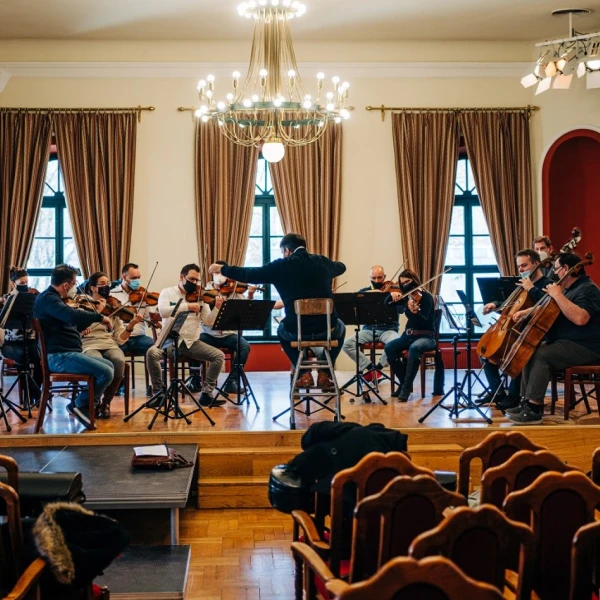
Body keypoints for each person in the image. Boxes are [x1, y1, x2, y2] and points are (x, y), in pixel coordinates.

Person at [208, 233, 346, 389]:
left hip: (295, 331)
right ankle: (325, 373)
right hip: (326, 330)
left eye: (282, 252)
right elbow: (341, 267)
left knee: (281, 329)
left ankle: (303, 373)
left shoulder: (281, 266)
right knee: (341, 327)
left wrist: (222, 269)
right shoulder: (322, 262)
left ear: (287, 250)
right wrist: (326, 267)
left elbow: (250, 273)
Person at [507, 252, 600, 425]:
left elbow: (581, 318)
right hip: (568, 343)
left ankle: (534, 408)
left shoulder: (588, 289)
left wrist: (557, 295)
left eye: (556, 269)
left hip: (587, 347)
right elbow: (552, 308)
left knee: (542, 355)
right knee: (529, 350)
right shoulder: (570, 289)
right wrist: (528, 312)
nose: (555, 273)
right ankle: (525, 402)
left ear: (566, 269)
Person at [34, 264, 115, 428]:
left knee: (109, 365)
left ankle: (83, 405)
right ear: (65, 285)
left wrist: (81, 328)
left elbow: (66, 323)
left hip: (67, 353)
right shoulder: (48, 299)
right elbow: (70, 315)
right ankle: (81, 405)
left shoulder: (54, 299)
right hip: (59, 356)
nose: (75, 288)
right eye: (73, 284)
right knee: (105, 372)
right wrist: (99, 317)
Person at [479, 249, 552, 410]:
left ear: (536, 264)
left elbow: (547, 306)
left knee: (519, 352)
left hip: (535, 334)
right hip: (515, 330)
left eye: (524, 265)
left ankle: (514, 396)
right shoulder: (521, 284)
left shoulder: (547, 284)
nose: (521, 270)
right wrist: (495, 304)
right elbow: (510, 303)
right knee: (485, 351)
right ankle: (497, 392)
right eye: (519, 266)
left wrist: (531, 288)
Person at [146, 264, 225, 408]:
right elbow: (163, 312)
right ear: (182, 277)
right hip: (169, 342)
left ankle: (206, 394)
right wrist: (187, 306)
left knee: (218, 356)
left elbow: (209, 322)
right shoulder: (167, 292)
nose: (194, 283)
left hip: (191, 343)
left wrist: (217, 308)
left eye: (196, 280)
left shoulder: (200, 296)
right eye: (191, 279)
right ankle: (159, 394)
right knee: (152, 353)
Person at [79, 272, 144, 419]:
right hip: (89, 345)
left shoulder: (112, 307)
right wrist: (97, 313)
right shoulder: (82, 304)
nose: (107, 287)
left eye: (108, 284)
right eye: (102, 284)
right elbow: (76, 329)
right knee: (99, 364)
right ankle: (92, 402)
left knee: (118, 360)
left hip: (109, 344)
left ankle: (106, 403)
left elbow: (120, 339)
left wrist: (131, 325)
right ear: (93, 288)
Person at [200, 262, 254, 395]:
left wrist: (250, 296)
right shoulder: (205, 292)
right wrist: (217, 307)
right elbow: (206, 321)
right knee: (192, 343)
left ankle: (232, 381)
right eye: (217, 272)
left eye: (222, 272)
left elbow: (246, 311)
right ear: (212, 273)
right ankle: (196, 379)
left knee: (244, 346)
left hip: (228, 335)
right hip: (208, 334)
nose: (220, 276)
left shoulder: (234, 291)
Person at [384, 269, 436, 402]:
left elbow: (424, 322)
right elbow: (386, 305)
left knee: (414, 348)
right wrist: (391, 295)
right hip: (408, 335)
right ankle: (403, 383)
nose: (405, 285)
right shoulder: (406, 297)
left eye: (408, 281)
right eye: (403, 283)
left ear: (415, 280)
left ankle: (406, 389)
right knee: (389, 347)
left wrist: (415, 312)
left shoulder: (427, 297)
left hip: (426, 336)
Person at [342, 265, 399, 382]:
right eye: (374, 278)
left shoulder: (393, 291)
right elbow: (355, 309)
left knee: (395, 344)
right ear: (370, 278)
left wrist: (397, 298)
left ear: (384, 277)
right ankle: (370, 368)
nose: (377, 281)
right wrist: (366, 296)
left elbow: (402, 310)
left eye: (380, 277)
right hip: (369, 330)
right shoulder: (364, 292)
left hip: (389, 330)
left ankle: (379, 368)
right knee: (347, 344)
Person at [110, 262, 159, 396]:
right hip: (119, 337)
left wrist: (153, 310)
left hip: (139, 338)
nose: (137, 281)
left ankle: (155, 386)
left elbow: (150, 317)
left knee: (155, 349)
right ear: (124, 277)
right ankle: (119, 384)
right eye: (133, 278)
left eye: (139, 277)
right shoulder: (112, 295)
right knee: (112, 352)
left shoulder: (143, 295)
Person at [0, 266, 43, 406]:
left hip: (30, 340)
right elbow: (3, 322)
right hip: (11, 343)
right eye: (22, 283)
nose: (26, 285)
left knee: (39, 361)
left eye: (26, 282)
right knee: (22, 356)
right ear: (14, 284)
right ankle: (28, 396)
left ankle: (35, 393)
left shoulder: (32, 297)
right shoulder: (8, 298)